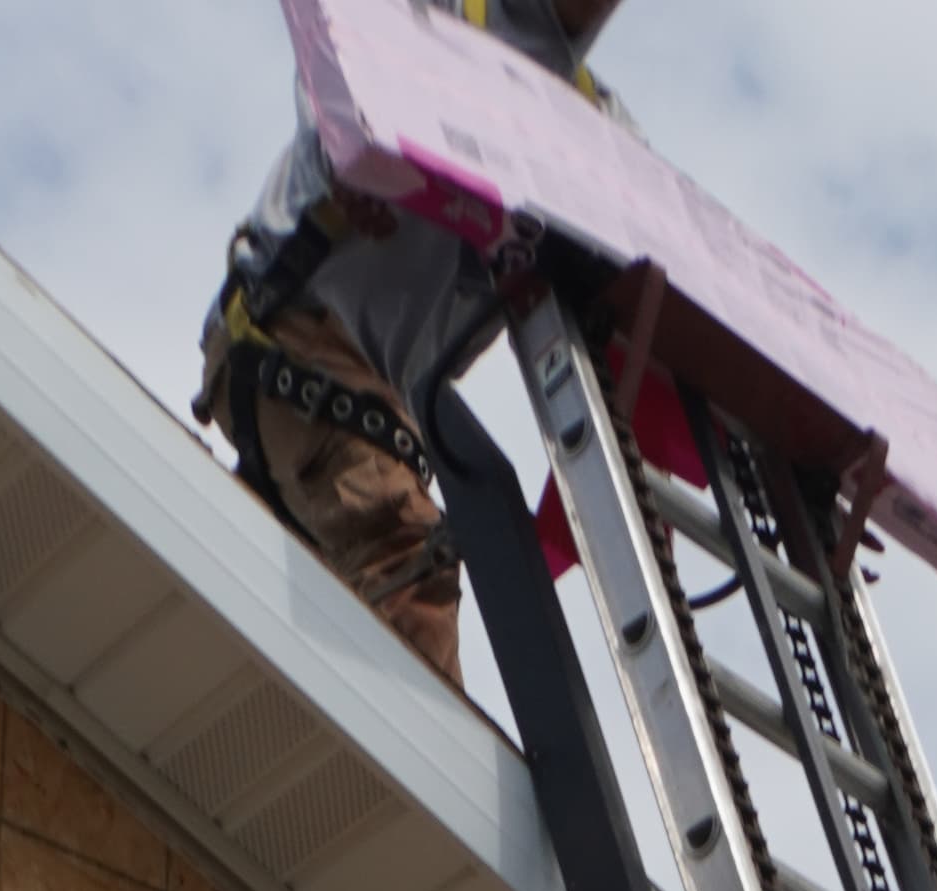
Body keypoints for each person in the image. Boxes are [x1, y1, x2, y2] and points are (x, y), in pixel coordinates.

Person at [198, 0, 635, 685]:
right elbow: (340, 36)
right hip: (297, 331)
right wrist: (348, 142)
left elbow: (655, 285)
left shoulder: (595, 139)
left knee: (294, 643)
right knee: (407, 575)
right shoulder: (451, 11)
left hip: (373, 392)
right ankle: (421, 761)